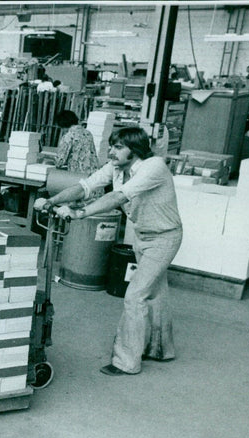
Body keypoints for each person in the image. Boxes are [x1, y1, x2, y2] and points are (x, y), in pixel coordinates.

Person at [34, 127, 182, 376]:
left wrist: (80, 213)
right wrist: (53, 201)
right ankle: (161, 348)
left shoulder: (153, 167)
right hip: (142, 235)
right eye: (111, 146)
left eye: (118, 147)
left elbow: (118, 196)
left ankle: (127, 361)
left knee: (135, 296)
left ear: (134, 150)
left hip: (164, 238)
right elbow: (85, 186)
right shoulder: (116, 167)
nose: (111, 151)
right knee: (155, 292)